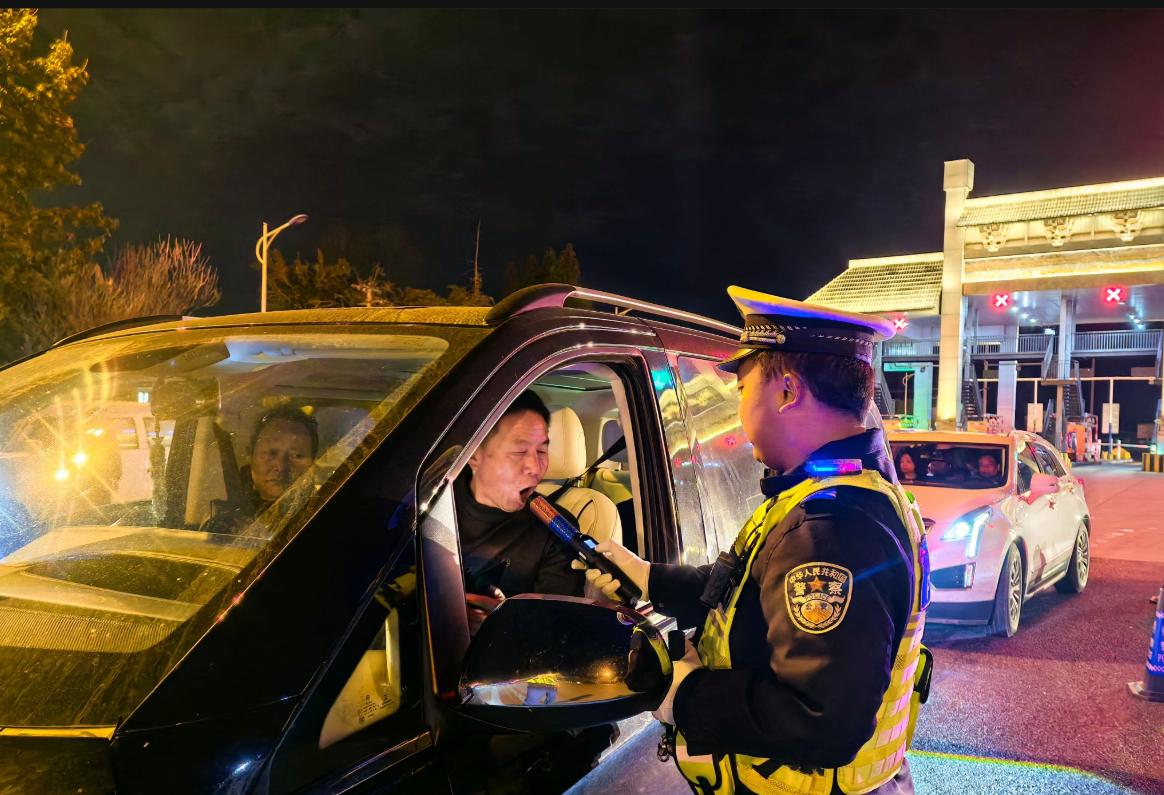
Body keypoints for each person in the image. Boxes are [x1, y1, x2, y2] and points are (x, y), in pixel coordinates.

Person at [576, 286, 931, 795]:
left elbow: (820, 720)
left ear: (787, 391)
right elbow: (747, 589)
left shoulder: (831, 529)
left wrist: (686, 694)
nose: (739, 415)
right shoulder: (841, 491)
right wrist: (647, 576)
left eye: (742, 390)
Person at [454, 389, 584, 605]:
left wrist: (497, 619)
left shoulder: (557, 528)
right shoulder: (431, 502)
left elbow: (556, 619)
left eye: (541, 451)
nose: (535, 467)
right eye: (519, 452)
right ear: (474, 455)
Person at [201, 405, 319, 534]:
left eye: (296, 456)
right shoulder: (224, 521)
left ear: (312, 464)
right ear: (250, 455)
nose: (280, 466)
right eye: (271, 453)